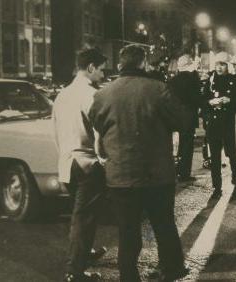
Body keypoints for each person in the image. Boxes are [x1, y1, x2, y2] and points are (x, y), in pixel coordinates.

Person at [88, 45, 190, 282]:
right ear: (143, 63)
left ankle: (129, 276)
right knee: (164, 224)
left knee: (127, 230)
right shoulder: (158, 89)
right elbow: (182, 122)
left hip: (121, 175)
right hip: (157, 175)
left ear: (121, 64)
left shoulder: (103, 94)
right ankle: (172, 269)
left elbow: (96, 124)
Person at [52, 48, 108, 282]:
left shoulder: (62, 94)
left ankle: (86, 251)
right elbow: (99, 132)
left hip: (67, 162)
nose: (104, 75)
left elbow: (54, 130)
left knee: (80, 214)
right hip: (86, 162)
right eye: (102, 70)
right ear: (91, 67)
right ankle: (75, 271)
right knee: (84, 218)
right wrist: (102, 159)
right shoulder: (91, 95)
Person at [203, 55, 236, 199]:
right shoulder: (211, 80)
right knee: (214, 156)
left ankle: (235, 181)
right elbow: (203, 99)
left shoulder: (234, 80)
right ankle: (216, 187)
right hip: (214, 123)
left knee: (233, 154)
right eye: (217, 64)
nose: (219, 67)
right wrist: (210, 102)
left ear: (228, 66)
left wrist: (230, 100)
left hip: (229, 123)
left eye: (222, 64)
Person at [168, 54, 201, 182]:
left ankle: (175, 170)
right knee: (187, 145)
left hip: (175, 115)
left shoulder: (173, 81)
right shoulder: (192, 79)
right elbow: (196, 98)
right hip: (188, 115)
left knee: (175, 145)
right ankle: (184, 173)